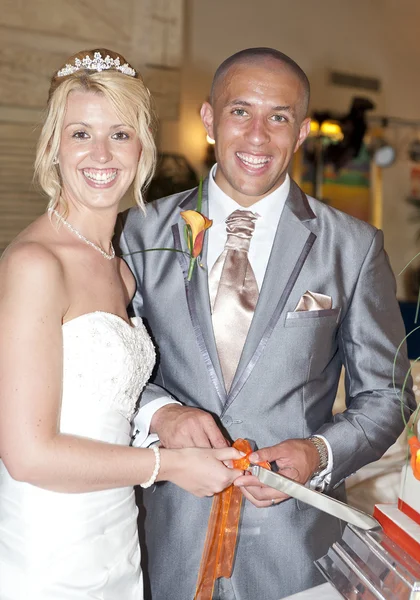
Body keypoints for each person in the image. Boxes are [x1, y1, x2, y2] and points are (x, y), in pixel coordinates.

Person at [117, 47, 416, 600]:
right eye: (240, 112)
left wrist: (318, 454)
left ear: (301, 131)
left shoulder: (352, 246)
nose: (258, 136)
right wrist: (161, 412)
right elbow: (114, 367)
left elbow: (389, 395)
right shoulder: (137, 233)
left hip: (297, 552)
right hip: (161, 540)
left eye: (278, 117)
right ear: (209, 118)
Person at [0, 48, 244, 600]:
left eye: (120, 134)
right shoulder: (35, 265)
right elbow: (28, 453)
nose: (102, 154)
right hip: (46, 548)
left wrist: (165, 416)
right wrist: (170, 466)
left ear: (142, 148)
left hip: (115, 538)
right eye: (81, 133)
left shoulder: (120, 270)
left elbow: (98, 400)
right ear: (53, 146)